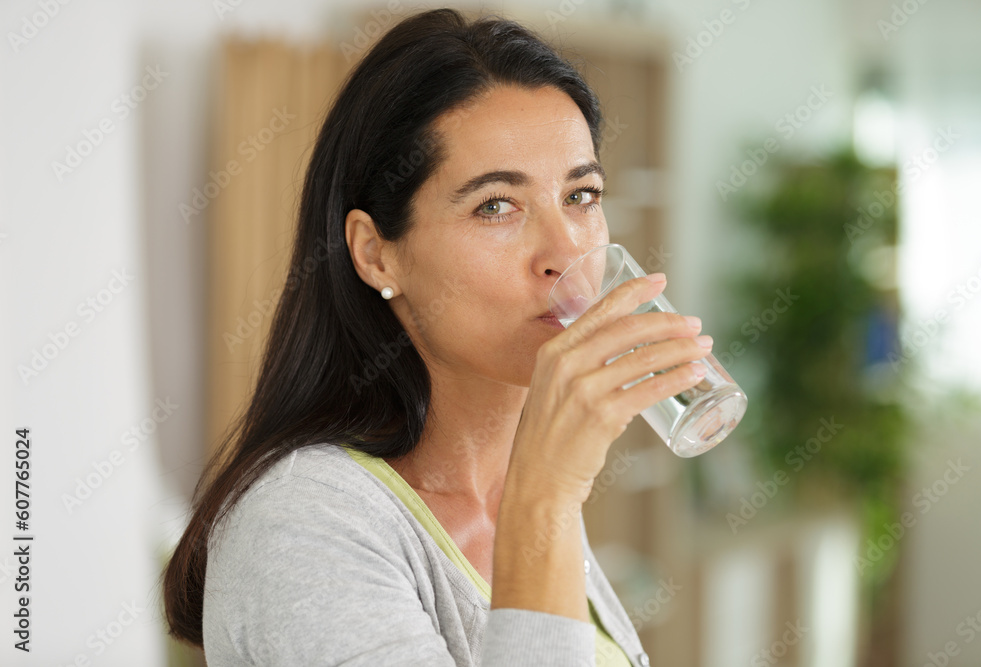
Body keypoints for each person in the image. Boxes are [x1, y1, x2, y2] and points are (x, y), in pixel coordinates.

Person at [162, 7, 712, 666]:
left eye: (582, 195)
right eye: (495, 206)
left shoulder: (514, 488)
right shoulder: (299, 524)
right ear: (376, 253)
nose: (564, 251)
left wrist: (540, 499)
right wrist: (544, 504)